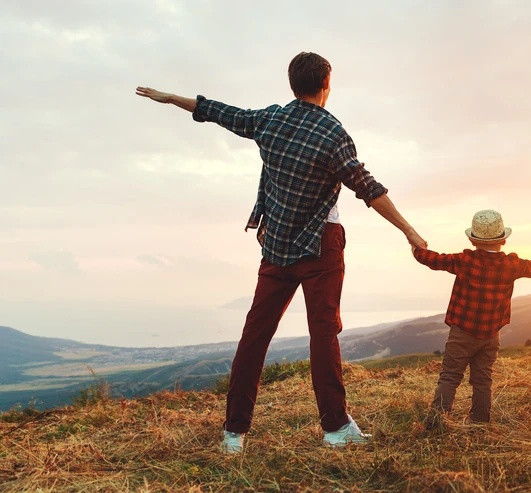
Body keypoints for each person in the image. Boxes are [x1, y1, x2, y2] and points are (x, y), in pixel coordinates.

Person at [136, 52, 427, 453]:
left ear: (292, 83)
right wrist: (409, 230)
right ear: (327, 83)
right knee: (323, 335)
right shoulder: (332, 134)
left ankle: (234, 432)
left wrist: (172, 98)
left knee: (255, 335)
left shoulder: (271, 119)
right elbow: (368, 188)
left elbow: (221, 112)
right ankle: (336, 428)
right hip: (320, 247)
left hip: (276, 246)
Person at [412, 210, 531, 428]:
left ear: (472, 239)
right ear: (504, 240)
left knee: (450, 376)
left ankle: (437, 423)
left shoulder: (464, 261)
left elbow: (433, 260)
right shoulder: (512, 265)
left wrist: (415, 245)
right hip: (491, 335)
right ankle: (480, 423)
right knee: (483, 380)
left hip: (462, 332)